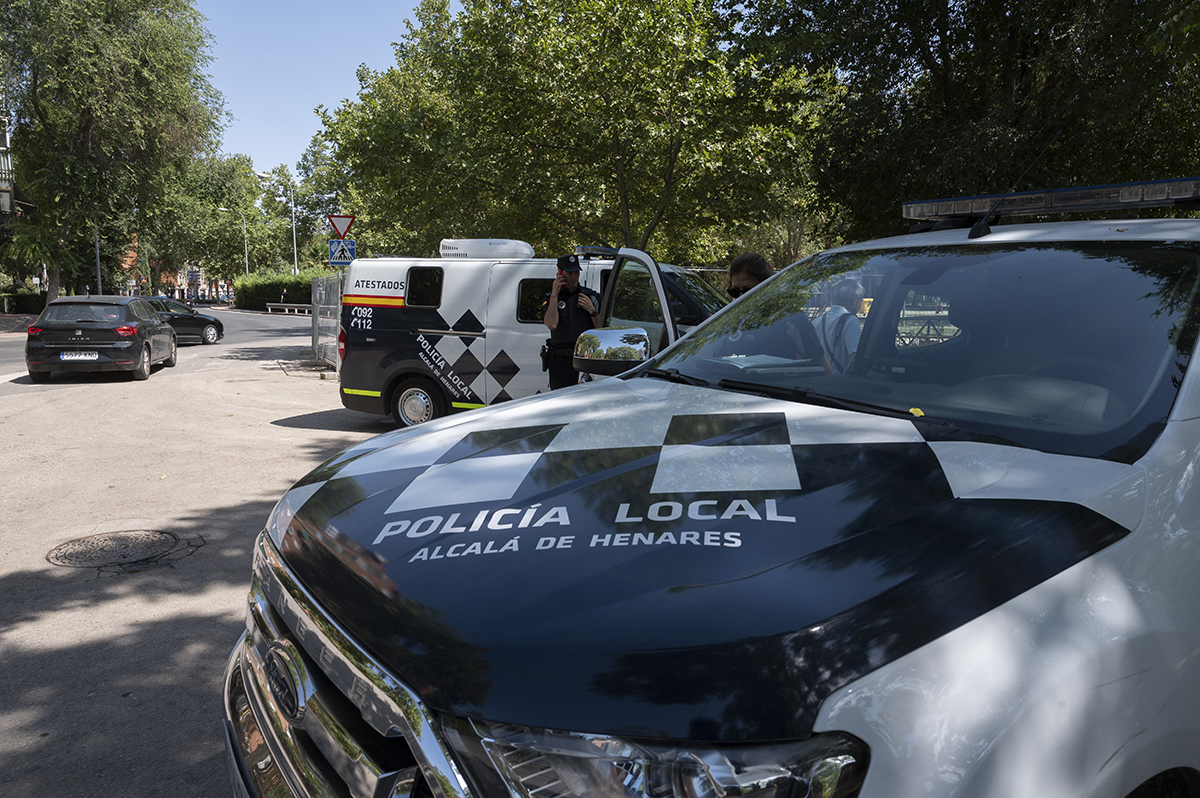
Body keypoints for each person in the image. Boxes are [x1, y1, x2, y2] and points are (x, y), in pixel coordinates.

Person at [727, 252, 832, 375]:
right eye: (734, 292)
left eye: (747, 291)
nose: (740, 298)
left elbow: (825, 371)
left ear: (766, 287)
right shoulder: (728, 321)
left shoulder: (790, 320)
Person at [543, 253, 602, 389]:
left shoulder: (590, 297)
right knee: (559, 401)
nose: (574, 277)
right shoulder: (551, 298)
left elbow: (601, 330)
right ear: (560, 273)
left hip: (584, 361)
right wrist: (554, 295)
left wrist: (592, 311)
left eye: (576, 272)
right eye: (570, 273)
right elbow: (551, 324)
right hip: (560, 362)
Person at [812, 278, 863, 374]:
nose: (860, 304)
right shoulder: (851, 320)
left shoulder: (816, 321)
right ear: (854, 298)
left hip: (818, 380)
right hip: (839, 383)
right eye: (861, 300)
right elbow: (855, 359)